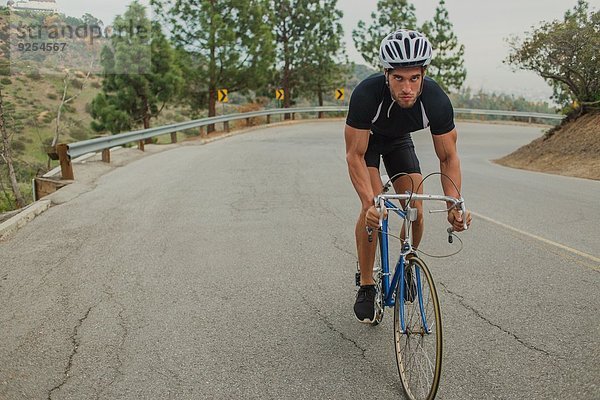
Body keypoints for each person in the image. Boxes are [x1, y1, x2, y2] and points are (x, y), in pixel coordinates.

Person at [344, 29, 472, 323]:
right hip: (369, 145)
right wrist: (368, 201)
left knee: (415, 209)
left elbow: (448, 156)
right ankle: (366, 283)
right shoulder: (366, 95)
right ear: (386, 74)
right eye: (399, 78)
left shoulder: (436, 100)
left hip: (400, 142)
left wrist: (454, 204)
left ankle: (408, 262)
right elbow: (355, 155)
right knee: (374, 210)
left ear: (424, 74)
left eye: (414, 78)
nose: (407, 88)